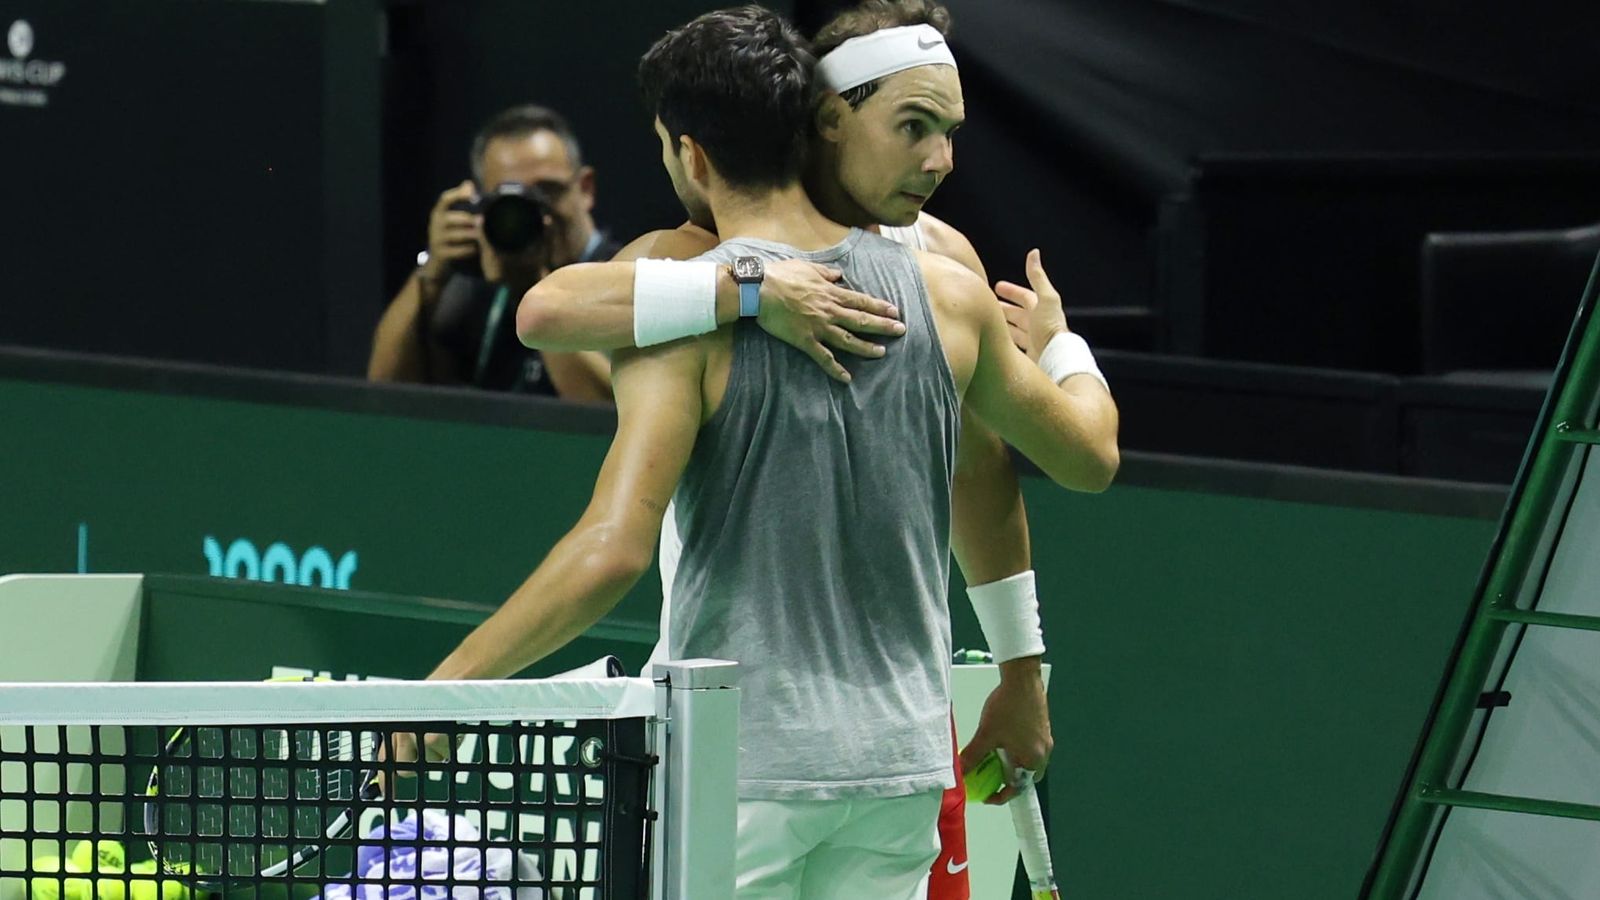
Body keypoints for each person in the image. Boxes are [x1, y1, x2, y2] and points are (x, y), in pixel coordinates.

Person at [417, 6, 1117, 897]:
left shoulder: (673, 300)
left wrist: (444, 691)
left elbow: (612, 543)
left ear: (690, 154)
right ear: (817, 124)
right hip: (895, 774)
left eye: (948, 131)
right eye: (915, 126)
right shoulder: (951, 297)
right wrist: (1060, 345)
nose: (939, 161)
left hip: (735, 763)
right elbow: (1089, 456)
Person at [367, 105, 621, 402]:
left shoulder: (620, 275)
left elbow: (613, 413)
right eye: (509, 201)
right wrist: (433, 270)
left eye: (547, 191)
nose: (533, 213)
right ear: (482, 205)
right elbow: (385, 392)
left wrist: (528, 289)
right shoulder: (477, 289)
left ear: (585, 188)